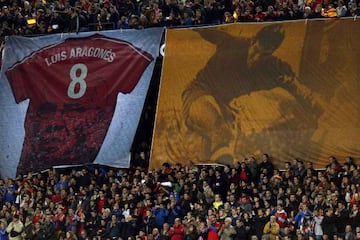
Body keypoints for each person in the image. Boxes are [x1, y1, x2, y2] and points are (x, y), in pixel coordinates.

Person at [182, 23, 324, 165]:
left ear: (271, 52)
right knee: (217, 124)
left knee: (222, 137)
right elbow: (206, 29)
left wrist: (320, 107)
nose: (257, 58)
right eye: (255, 51)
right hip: (199, 93)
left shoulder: (272, 67)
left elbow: (299, 89)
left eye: (264, 55)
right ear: (253, 41)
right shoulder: (231, 43)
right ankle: (223, 166)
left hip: (227, 107)